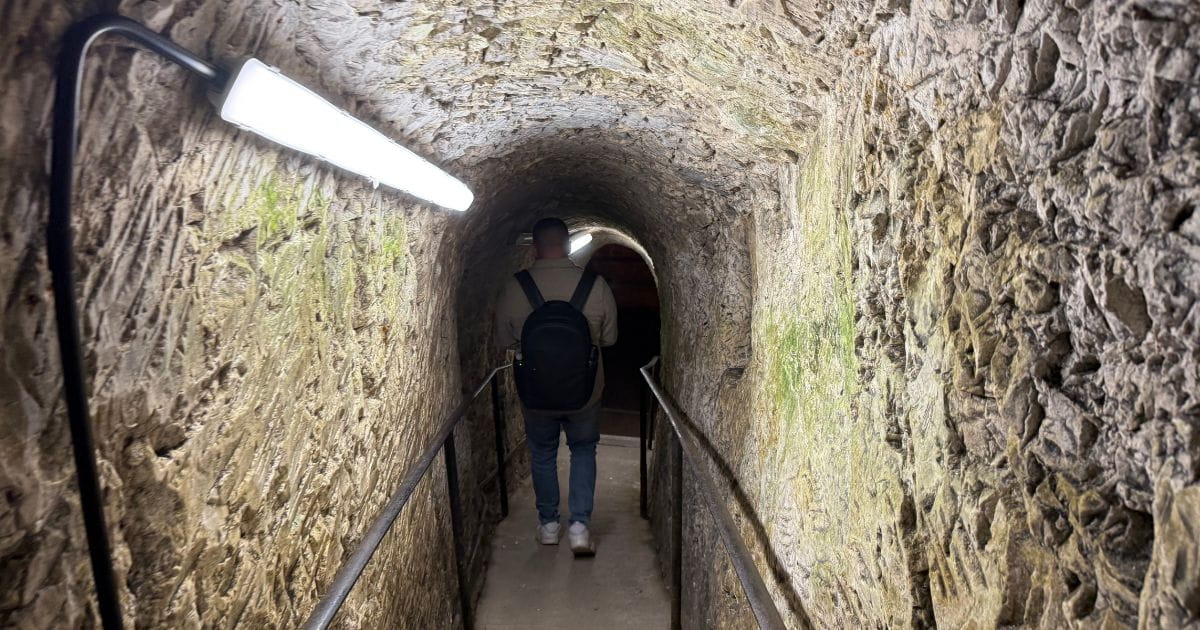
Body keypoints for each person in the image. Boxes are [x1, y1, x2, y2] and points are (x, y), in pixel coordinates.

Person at [495, 218, 618, 556]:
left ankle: (549, 525)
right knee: (582, 450)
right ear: (568, 245)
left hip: (535, 392)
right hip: (586, 391)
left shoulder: (515, 287)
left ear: (534, 248)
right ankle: (579, 528)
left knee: (543, 453)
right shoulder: (595, 285)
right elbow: (609, 338)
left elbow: (504, 340)